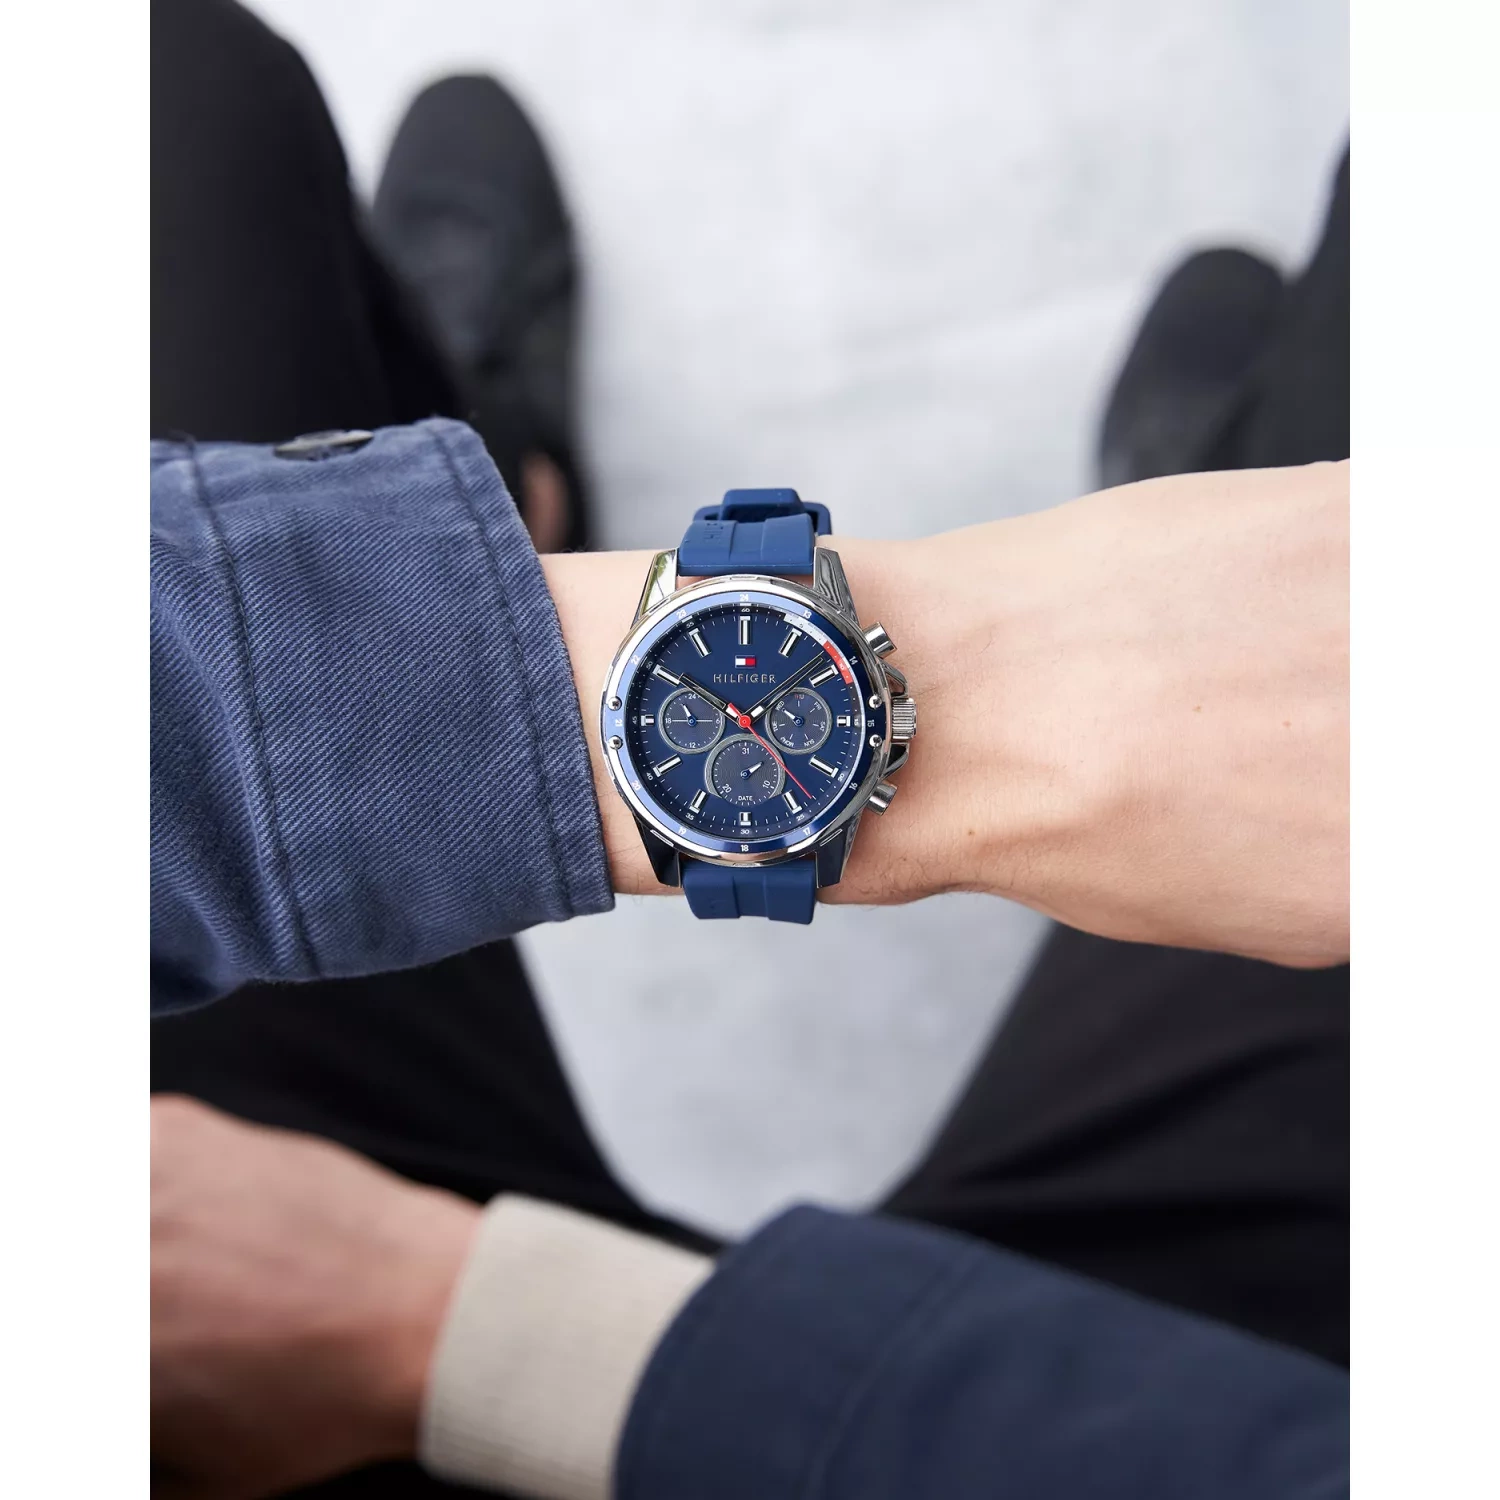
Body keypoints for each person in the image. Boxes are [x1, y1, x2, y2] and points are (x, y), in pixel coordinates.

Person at [151, 2, 1349, 1496]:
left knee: (170, 92)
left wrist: (513, 666)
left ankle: (485, 500)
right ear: (875, 741)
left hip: (255, 1227)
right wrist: (440, 1326)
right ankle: (1225, 503)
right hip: (1198, 1408)